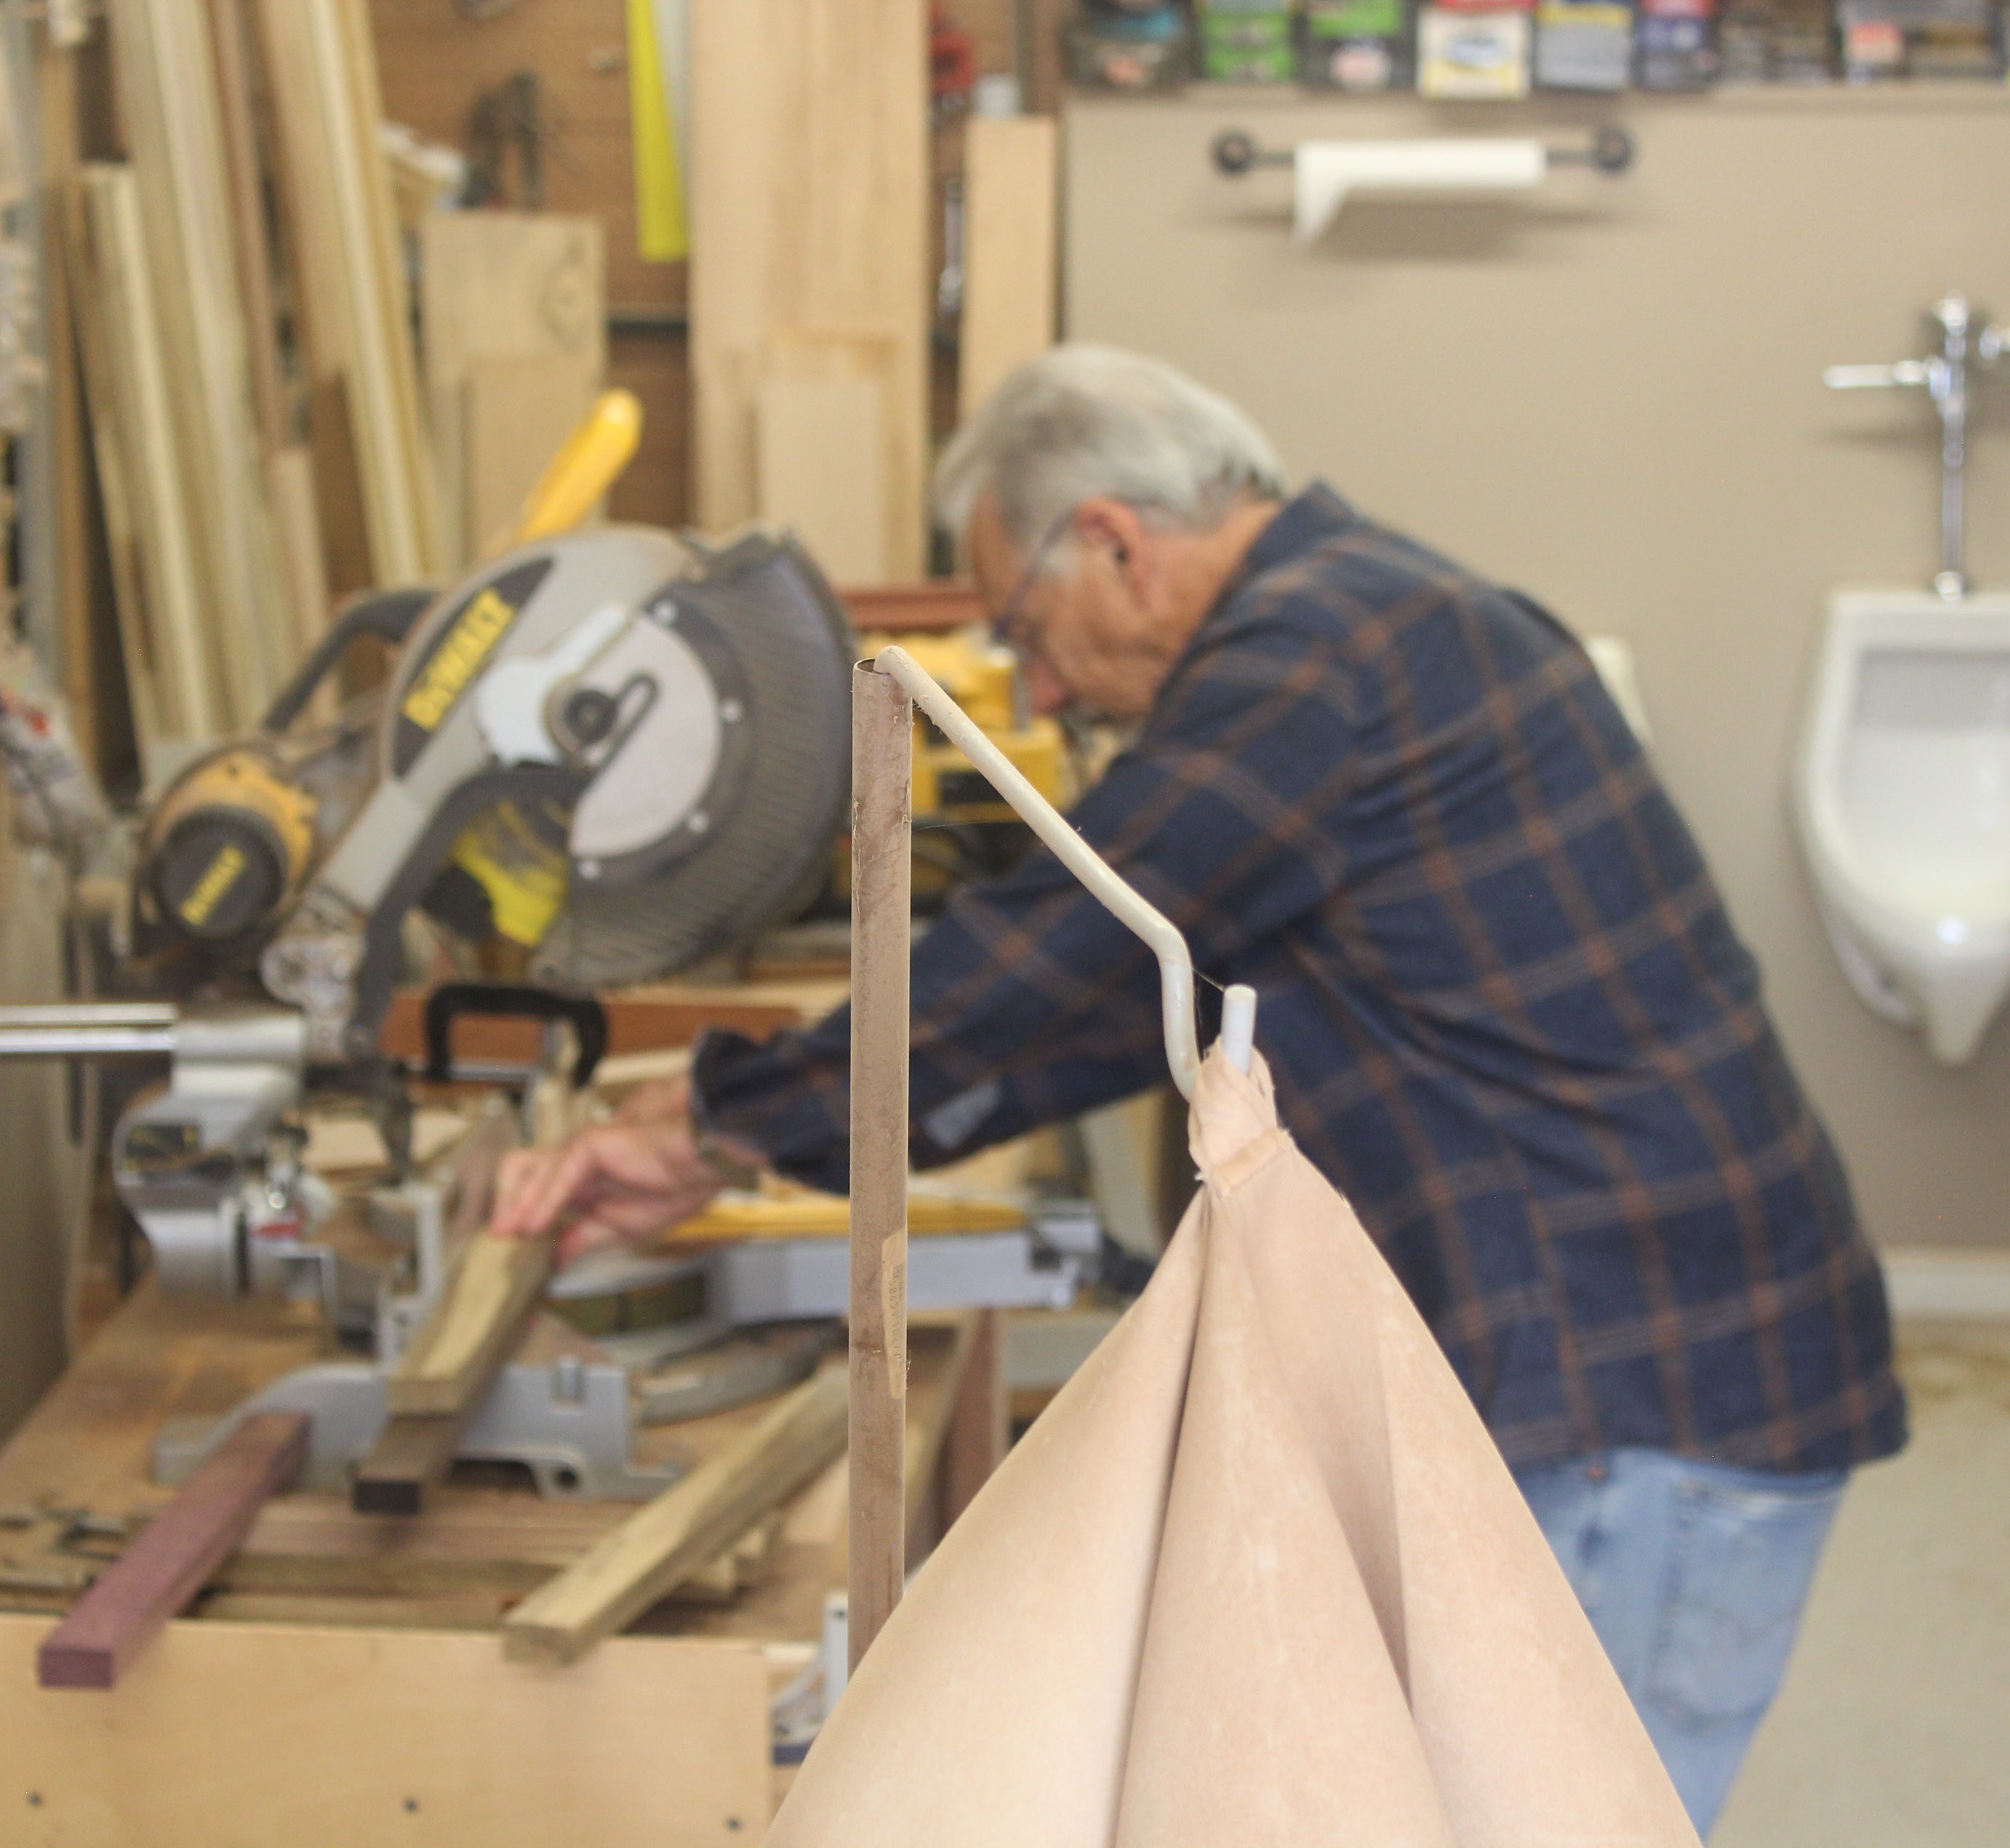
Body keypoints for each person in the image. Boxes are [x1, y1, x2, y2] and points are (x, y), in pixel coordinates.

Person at [489, 344, 1905, 1834]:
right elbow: (1131, 1003)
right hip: (1639, 1354)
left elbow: (1065, 950)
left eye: (1027, 632)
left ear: (1113, 538)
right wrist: (745, 1128)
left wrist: (719, 1119)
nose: (1035, 685)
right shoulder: (1375, 610)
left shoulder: (1315, 660)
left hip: (1643, 1391)